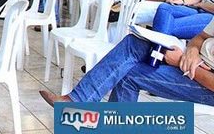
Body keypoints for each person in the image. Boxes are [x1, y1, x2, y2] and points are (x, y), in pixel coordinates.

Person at [39, 19, 214, 106]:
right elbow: (201, 37)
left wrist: (179, 63)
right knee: (132, 44)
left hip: (205, 81)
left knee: (127, 72)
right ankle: (78, 100)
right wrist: (191, 51)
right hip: (192, 61)